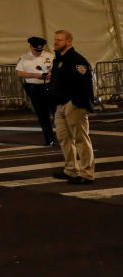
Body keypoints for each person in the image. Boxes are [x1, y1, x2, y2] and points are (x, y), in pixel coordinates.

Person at [49, 29, 95, 184]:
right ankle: (71, 170)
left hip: (73, 104)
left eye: (59, 40)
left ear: (69, 42)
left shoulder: (76, 59)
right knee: (64, 139)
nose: (55, 42)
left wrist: (76, 103)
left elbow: (84, 84)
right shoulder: (58, 59)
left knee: (81, 139)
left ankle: (87, 173)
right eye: (55, 40)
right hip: (60, 104)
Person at [16, 36, 57, 146]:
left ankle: (62, 137)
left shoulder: (49, 56)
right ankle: (50, 139)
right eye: (36, 50)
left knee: (57, 113)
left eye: (40, 50)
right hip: (34, 88)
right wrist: (35, 75)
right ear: (30, 47)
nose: (39, 52)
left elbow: (56, 69)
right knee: (42, 115)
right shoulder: (24, 57)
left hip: (50, 86)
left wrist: (51, 75)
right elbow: (20, 73)